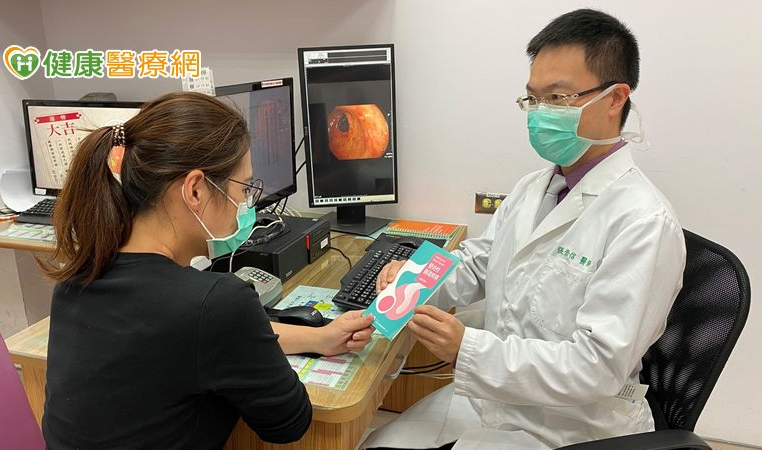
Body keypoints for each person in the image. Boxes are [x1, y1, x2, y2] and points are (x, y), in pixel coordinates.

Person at [362, 9, 686, 450]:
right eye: (533, 99)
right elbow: (479, 263)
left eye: (558, 98)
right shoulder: (534, 188)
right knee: (374, 444)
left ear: (615, 99)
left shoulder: (644, 222)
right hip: (494, 401)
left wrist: (466, 348)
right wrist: (414, 279)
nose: (539, 114)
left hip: (569, 429)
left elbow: (596, 367)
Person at [41, 92, 374, 449]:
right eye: (244, 189)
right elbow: (289, 423)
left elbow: (212, 339)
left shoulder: (75, 282)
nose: (247, 205)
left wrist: (319, 339)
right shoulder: (216, 303)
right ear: (196, 190)